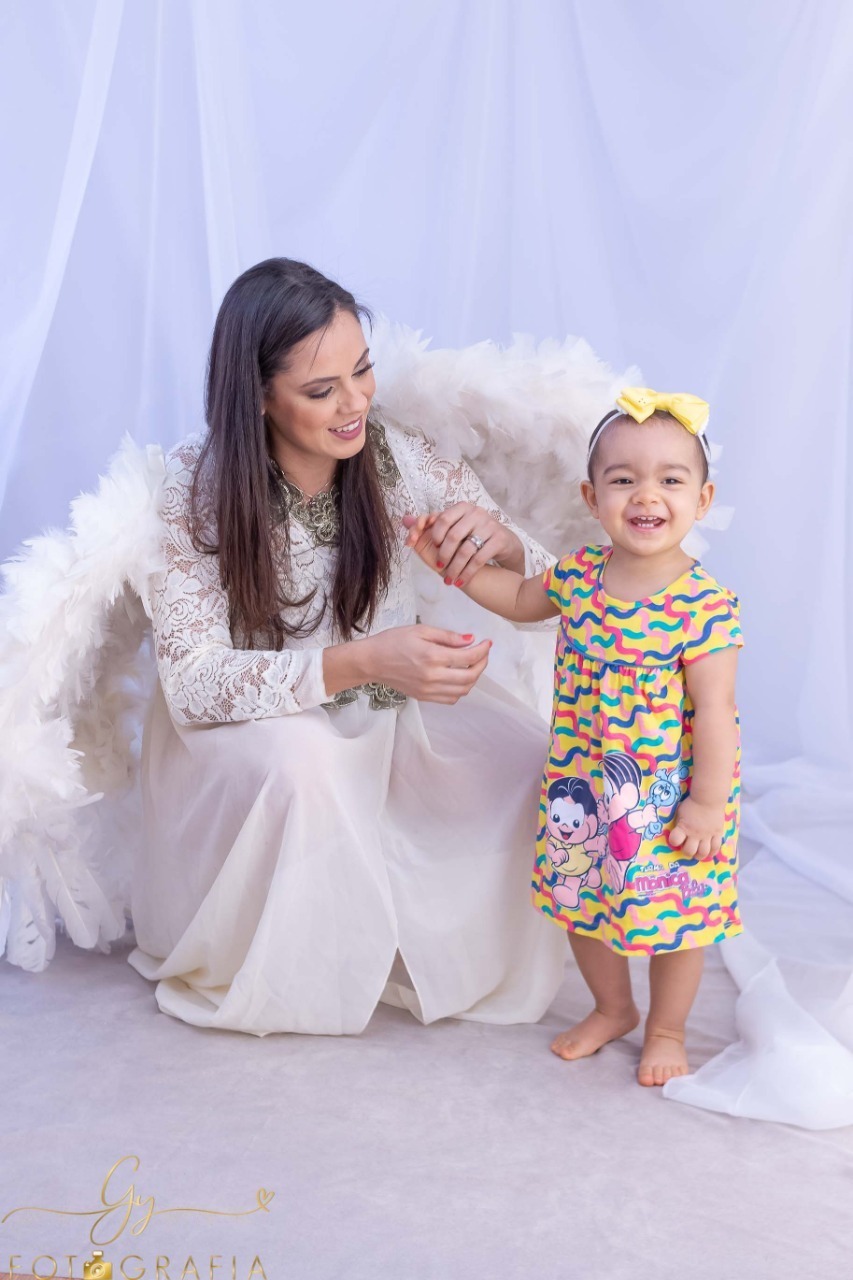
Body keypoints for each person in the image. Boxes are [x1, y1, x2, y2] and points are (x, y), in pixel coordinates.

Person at [126, 256, 566, 1034]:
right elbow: (194, 684)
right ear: (258, 395)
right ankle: (297, 958)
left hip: (384, 706)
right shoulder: (194, 491)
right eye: (321, 390)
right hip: (249, 729)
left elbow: (555, 594)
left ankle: (419, 940)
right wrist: (363, 660)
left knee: (540, 760)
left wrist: (504, 544)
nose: (355, 402)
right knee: (308, 765)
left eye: (362, 370)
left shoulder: (397, 454)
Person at [405, 388, 743, 1085]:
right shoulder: (580, 575)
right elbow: (517, 598)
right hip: (583, 788)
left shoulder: (703, 606)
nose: (646, 495)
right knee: (583, 904)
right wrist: (454, 565)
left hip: (668, 799)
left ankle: (667, 1028)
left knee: (676, 920)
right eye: (623, 480)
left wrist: (707, 805)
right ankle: (612, 1007)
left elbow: (716, 713)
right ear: (592, 498)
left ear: (702, 500)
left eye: (670, 480)